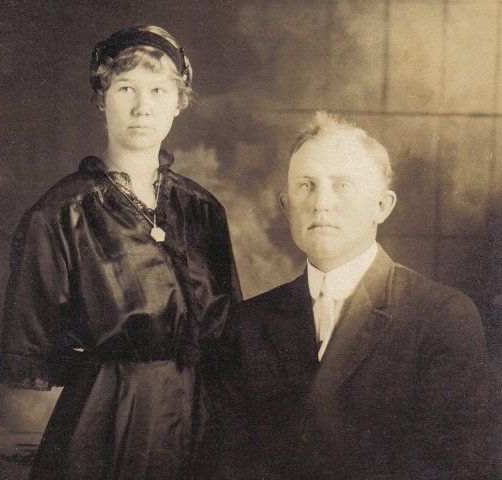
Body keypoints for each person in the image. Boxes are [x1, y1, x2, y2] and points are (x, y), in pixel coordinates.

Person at [0, 25, 242, 480]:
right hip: (109, 428)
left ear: (178, 102)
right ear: (102, 97)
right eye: (125, 87)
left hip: (204, 424)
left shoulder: (203, 209)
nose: (142, 107)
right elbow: (32, 355)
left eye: (158, 90)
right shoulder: (58, 215)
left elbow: (230, 337)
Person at [206, 112, 491, 479]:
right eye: (306, 185)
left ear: (382, 206)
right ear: (286, 206)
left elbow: (456, 467)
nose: (321, 203)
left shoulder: (442, 318)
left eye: (342, 185)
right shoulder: (249, 324)